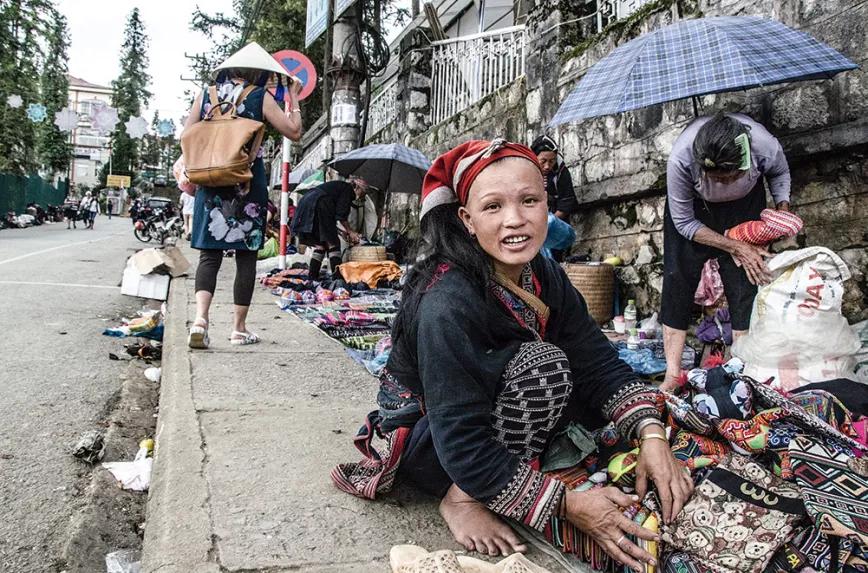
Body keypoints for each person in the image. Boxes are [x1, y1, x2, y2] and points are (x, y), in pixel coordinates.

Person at [333, 140, 691, 568]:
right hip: (436, 445)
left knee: (583, 384)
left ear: (547, 204)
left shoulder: (542, 271)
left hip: (494, 408)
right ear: (466, 219)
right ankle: (460, 499)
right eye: (493, 207)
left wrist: (651, 434)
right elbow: (462, 439)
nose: (515, 220)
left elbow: (595, 358)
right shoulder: (445, 301)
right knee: (545, 369)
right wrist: (567, 504)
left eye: (529, 201)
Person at [660, 112, 792, 390]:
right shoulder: (681, 158)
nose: (722, 183)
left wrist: (781, 211)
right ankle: (672, 373)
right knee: (677, 279)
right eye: (715, 177)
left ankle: (740, 365)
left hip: (744, 207)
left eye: (729, 176)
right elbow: (683, 222)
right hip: (695, 212)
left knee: (746, 279)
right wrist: (734, 246)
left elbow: (779, 172)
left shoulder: (763, 144)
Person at [182, 59, 303, 349]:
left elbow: (185, 134)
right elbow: (294, 131)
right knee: (245, 257)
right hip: (245, 181)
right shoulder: (260, 97)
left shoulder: (206, 95)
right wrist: (294, 97)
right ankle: (238, 329)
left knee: (209, 257)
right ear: (258, 72)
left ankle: (200, 320)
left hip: (211, 180)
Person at [290, 176, 368, 279]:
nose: (364, 195)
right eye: (364, 192)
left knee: (320, 245)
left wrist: (342, 231)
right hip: (319, 203)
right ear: (357, 188)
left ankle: (312, 277)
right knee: (334, 244)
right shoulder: (347, 190)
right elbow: (341, 215)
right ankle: (337, 278)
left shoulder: (338, 188)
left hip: (307, 204)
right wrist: (350, 231)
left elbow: (329, 221)